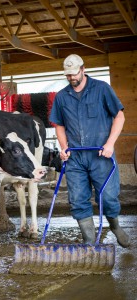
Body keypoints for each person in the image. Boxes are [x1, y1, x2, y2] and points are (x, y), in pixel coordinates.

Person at [49, 54, 130, 248]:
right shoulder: (61, 97)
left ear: (83, 69)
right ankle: (89, 241)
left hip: (101, 155)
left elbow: (119, 117)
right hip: (75, 157)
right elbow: (58, 125)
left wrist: (110, 144)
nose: (71, 78)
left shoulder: (101, 89)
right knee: (77, 199)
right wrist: (64, 147)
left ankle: (115, 226)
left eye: (74, 74)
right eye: (67, 75)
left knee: (108, 197)